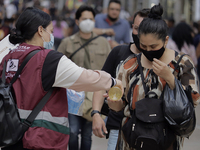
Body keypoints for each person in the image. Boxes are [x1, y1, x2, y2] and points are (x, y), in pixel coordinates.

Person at [0, 7, 123, 150]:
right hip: (40, 140)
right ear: (40, 30)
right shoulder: (47, 59)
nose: (52, 36)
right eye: (50, 31)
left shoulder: (8, 57)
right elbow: (86, 78)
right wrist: (113, 81)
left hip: (11, 137)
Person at [106, 4, 200, 150]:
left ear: (166, 40)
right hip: (132, 140)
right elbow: (121, 105)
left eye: (153, 47)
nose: (148, 51)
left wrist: (170, 78)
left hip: (166, 140)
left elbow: (194, 99)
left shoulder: (184, 63)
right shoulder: (129, 65)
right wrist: (113, 103)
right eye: (143, 46)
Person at [92, 8, 150, 150]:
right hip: (118, 128)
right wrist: (96, 113)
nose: (139, 33)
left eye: (144, 29)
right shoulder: (119, 52)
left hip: (151, 130)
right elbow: (101, 84)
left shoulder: (161, 59)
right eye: (136, 28)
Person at [57, 5, 111, 150]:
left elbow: (110, 70)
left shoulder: (103, 43)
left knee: (88, 134)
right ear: (77, 21)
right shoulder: (67, 42)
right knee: (73, 132)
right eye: (84, 19)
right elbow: (57, 67)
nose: (88, 22)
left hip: (94, 97)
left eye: (91, 19)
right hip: (72, 96)